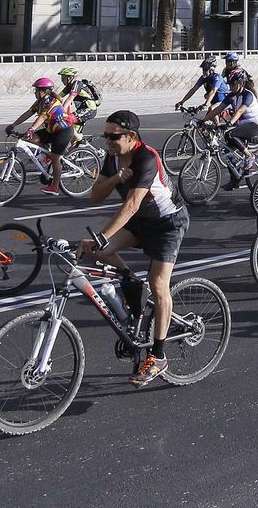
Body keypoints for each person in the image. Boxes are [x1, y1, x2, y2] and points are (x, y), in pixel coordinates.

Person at [77, 110, 189, 387]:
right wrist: (115, 178)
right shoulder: (113, 157)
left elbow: (132, 204)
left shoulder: (146, 158)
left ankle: (159, 356)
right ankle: (132, 282)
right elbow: (95, 195)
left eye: (113, 136)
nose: (108, 141)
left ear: (131, 137)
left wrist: (104, 234)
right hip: (141, 223)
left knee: (159, 285)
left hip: (167, 224)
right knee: (93, 251)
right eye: (105, 135)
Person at [5, 78, 77, 196]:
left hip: (63, 130)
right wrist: (13, 125)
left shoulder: (53, 102)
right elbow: (28, 113)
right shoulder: (39, 102)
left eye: (36, 90)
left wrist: (31, 129)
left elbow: (43, 117)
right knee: (31, 139)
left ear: (43, 91)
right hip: (51, 130)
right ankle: (48, 156)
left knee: (56, 158)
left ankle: (55, 186)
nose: (35, 92)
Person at [203, 69, 258, 190]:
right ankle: (235, 180)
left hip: (255, 126)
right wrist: (203, 120)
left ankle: (249, 156)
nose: (230, 86)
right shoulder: (232, 96)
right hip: (242, 125)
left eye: (232, 84)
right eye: (229, 84)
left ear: (241, 82)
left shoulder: (248, 94)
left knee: (230, 134)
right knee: (227, 152)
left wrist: (229, 123)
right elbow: (218, 109)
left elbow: (240, 111)